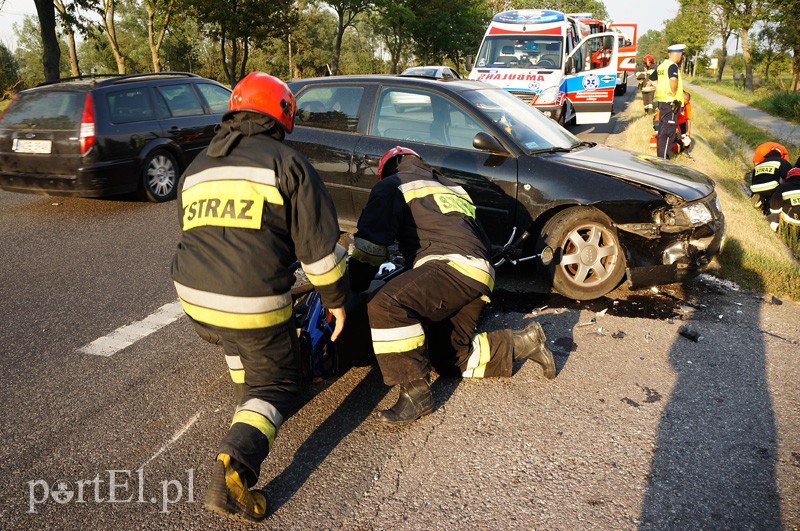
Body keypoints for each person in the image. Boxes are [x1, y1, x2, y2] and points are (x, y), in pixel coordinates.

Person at [171, 72, 349, 522]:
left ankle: (246, 393)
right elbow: (318, 250)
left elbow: (201, 236)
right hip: (247, 302)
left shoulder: (196, 168)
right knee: (279, 384)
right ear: (281, 117)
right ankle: (236, 467)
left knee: (237, 335)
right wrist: (335, 300)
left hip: (193, 300)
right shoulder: (287, 163)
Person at [348, 146, 557, 426]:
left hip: (448, 266)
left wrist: (354, 284)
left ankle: (415, 394)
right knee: (447, 356)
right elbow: (475, 234)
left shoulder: (394, 184)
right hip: (481, 272)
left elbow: (371, 246)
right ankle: (522, 343)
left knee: (386, 304)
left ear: (388, 168)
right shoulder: (453, 188)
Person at [651, 44, 686, 159]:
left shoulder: (662, 66)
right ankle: (663, 160)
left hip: (662, 102)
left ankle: (661, 156)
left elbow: (652, 79)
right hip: (670, 103)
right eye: (681, 55)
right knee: (668, 132)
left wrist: (660, 88)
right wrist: (673, 92)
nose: (681, 57)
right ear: (678, 54)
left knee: (662, 130)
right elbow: (673, 79)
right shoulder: (672, 66)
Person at [750, 142, 792, 215]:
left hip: (755, 188)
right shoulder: (782, 162)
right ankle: (770, 207)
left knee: (764, 187)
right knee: (782, 188)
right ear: (781, 155)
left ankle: (760, 200)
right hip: (771, 188)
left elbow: (753, 179)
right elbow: (789, 178)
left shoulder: (760, 163)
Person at [768, 167, 800, 232]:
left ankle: (779, 228)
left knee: (770, 217)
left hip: (788, 219)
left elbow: (774, 207)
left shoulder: (784, 187)